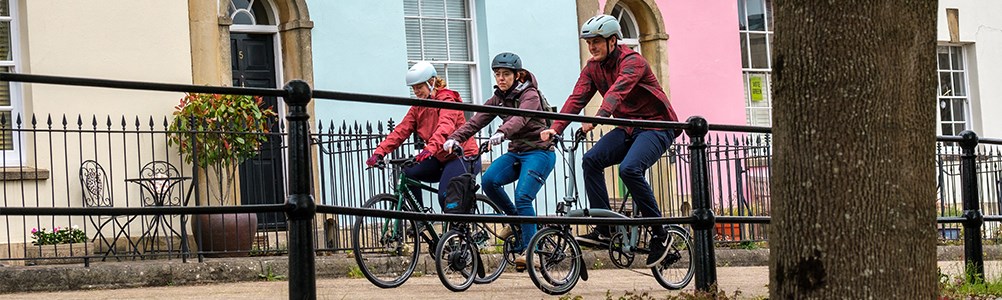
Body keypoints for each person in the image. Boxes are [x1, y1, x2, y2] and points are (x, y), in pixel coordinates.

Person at [539, 14, 680, 267]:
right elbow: (576, 99)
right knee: (591, 160)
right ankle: (605, 229)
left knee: (629, 169)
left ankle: (660, 233)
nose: (592, 47)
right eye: (588, 43)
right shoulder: (593, 67)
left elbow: (617, 91)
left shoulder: (633, 61)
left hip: (657, 126)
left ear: (613, 41)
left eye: (597, 42)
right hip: (627, 127)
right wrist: (555, 128)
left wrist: (599, 116)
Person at [444, 52, 555, 268]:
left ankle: (531, 251)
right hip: (516, 152)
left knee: (523, 196)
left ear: (518, 75)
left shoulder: (530, 95)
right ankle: (518, 223)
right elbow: (477, 119)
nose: (501, 78)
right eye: (497, 74)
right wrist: (455, 138)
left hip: (539, 152)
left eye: (505, 74)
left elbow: (520, 118)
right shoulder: (498, 98)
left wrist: (502, 132)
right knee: (489, 181)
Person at [366, 61, 481, 208]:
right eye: (413, 88)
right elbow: (401, 131)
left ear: (432, 82)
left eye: (419, 87)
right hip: (440, 157)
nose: (416, 91)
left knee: (445, 195)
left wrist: (429, 150)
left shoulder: (447, 100)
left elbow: (445, 128)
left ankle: (457, 230)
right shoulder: (418, 107)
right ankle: (420, 221)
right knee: (409, 172)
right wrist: (379, 152)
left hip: (463, 156)